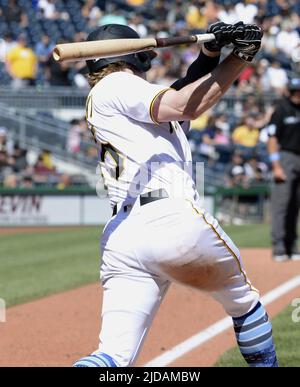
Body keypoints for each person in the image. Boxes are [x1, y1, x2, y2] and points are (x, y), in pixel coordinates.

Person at [74, 22, 278, 367]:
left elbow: (182, 93)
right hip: (169, 218)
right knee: (244, 303)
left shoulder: (113, 97)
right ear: (132, 56)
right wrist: (241, 58)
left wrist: (210, 54)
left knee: (112, 356)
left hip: (122, 237)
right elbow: (187, 105)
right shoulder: (120, 84)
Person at [267, 77, 300, 262]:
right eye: (295, 91)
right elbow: (272, 138)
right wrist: (276, 165)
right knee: (282, 204)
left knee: (295, 204)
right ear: (289, 91)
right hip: (286, 157)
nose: (297, 95)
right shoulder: (282, 109)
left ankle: (292, 245)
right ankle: (279, 246)